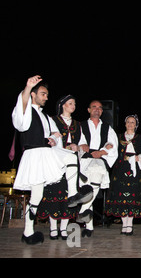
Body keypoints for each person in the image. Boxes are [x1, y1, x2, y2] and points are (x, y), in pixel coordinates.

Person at [11, 76, 92, 245]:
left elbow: (56, 139)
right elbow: (21, 115)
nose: (46, 97)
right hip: (33, 156)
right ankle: (28, 232)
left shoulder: (46, 117)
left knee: (69, 158)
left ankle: (72, 194)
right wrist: (27, 87)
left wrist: (54, 139)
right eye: (43, 94)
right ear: (33, 95)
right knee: (36, 196)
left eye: (47, 94)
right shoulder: (26, 111)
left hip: (46, 155)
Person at [37, 95, 81, 240]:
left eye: (74, 103)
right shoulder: (52, 120)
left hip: (71, 161)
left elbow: (82, 143)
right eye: (70, 103)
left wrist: (77, 146)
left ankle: (63, 229)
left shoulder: (77, 124)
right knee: (54, 194)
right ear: (63, 105)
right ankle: (53, 228)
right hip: (55, 160)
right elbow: (48, 136)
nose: (73, 106)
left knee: (67, 195)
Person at [77, 100, 119, 237]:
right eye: (94, 107)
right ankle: (88, 227)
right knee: (88, 190)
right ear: (88, 110)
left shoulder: (107, 128)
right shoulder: (81, 126)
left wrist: (101, 152)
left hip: (99, 160)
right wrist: (83, 146)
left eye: (100, 108)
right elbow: (78, 142)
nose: (97, 109)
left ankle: (83, 211)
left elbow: (112, 145)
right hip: (84, 161)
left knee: (95, 180)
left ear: (102, 112)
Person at [106, 115, 141, 235]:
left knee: (132, 196)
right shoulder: (118, 137)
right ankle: (124, 224)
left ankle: (129, 224)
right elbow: (112, 149)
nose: (130, 124)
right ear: (125, 124)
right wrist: (108, 146)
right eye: (128, 122)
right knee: (121, 197)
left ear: (136, 125)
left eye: (133, 122)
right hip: (120, 169)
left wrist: (140, 156)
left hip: (135, 169)